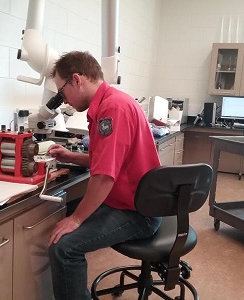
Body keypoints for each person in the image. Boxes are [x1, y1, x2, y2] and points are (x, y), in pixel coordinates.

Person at [47, 51, 161, 300]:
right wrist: (70, 156)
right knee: (60, 214)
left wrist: (76, 220)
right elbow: (110, 160)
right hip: (132, 202)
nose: (63, 99)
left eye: (62, 90)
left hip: (138, 213)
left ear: (77, 79)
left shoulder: (112, 109)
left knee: (64, 248)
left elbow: (104, 176)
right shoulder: (111, 102)